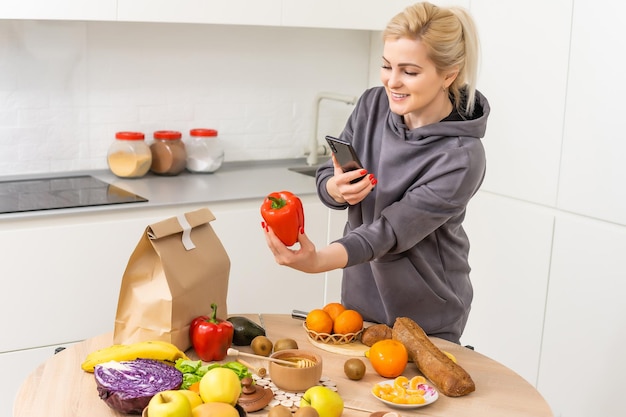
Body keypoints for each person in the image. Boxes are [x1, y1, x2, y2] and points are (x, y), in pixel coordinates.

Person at [263, 1, 490, 344]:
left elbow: (387, 233)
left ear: (449, 74)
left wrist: (317, 261)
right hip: (360, 299)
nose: (392, 81)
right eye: (387, 66)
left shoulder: (461, 156)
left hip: (426, 312)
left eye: (409, 72)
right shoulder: (372, 105)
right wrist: (336, 189)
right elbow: (329, 171)